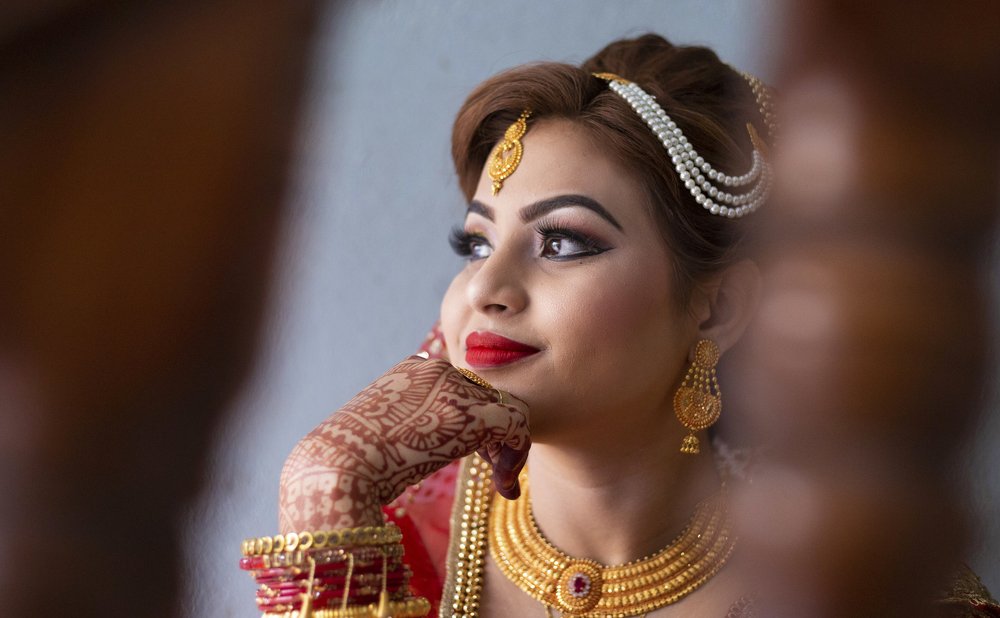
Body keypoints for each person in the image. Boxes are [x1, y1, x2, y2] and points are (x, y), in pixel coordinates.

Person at [241, 34, 998, 617]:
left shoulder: (851, 581)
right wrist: (325, 484)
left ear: (718, 308)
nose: (485, 290)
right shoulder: (387, 541)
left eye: (563, 243)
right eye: (475, 244)